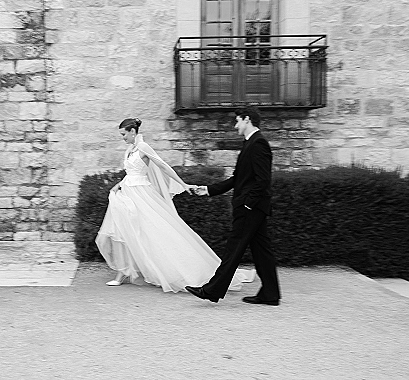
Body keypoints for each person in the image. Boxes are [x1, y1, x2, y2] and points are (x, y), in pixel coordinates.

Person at [95, 118, 254, 293]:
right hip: (128, 193)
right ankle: (124, 271)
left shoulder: (143, 147)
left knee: (156, 232)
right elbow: (132, 173)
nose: (122, 138)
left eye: (124, 134)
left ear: (133, 131)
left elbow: (163, 166)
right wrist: (119, 184)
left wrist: (183, 184)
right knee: (127, 230)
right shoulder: (129, 149)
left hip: (142, 195)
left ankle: (185, 271)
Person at [186, 106, 281, 305]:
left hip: (250, 208)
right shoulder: (251, 143)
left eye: (237, 121)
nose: (235, 125)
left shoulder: (258, 143)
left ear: (247, 120)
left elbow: (263, 180)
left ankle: (212, 290)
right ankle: (270, 294)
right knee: (262, 251)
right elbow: (238, 179)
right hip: (253, 207)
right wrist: (209, 189)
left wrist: (248, 205)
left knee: (234, 248)